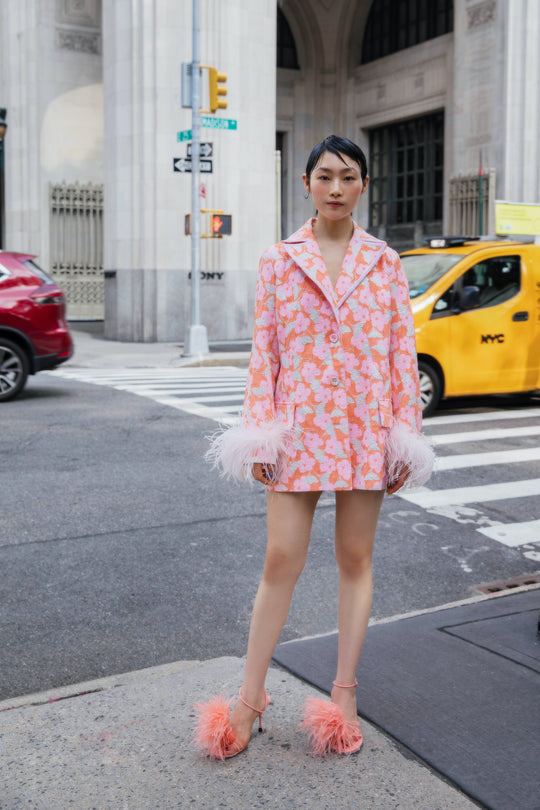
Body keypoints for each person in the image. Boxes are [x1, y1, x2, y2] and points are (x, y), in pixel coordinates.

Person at [194, 135, 434, 759]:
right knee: (282, 559)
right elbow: (264, 356)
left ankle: (343, 695)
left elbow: (400, 358)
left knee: (355, 558)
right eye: (324, 175)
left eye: (347, 176)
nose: (334, 187)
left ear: (362, 186)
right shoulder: (279, 260)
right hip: (298, 431)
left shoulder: (385, 263)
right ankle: (251, 698)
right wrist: (259, 433)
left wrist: (404, 439)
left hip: (363, 429)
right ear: (306, 183)